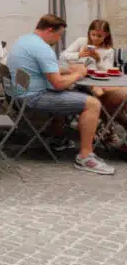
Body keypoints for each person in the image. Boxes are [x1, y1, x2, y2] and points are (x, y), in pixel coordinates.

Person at [7, 14, 114, 175]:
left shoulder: (24, 40)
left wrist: (67, 70)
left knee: (69, 92)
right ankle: (85, 156)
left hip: (18, 95)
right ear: (50, 30)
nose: (59, 39)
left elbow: (40, 70)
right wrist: (78, 74)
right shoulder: (43, 49)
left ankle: (58, 137)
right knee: (93, 103)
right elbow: (58, 84)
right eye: (59, 35)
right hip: (34, 98)